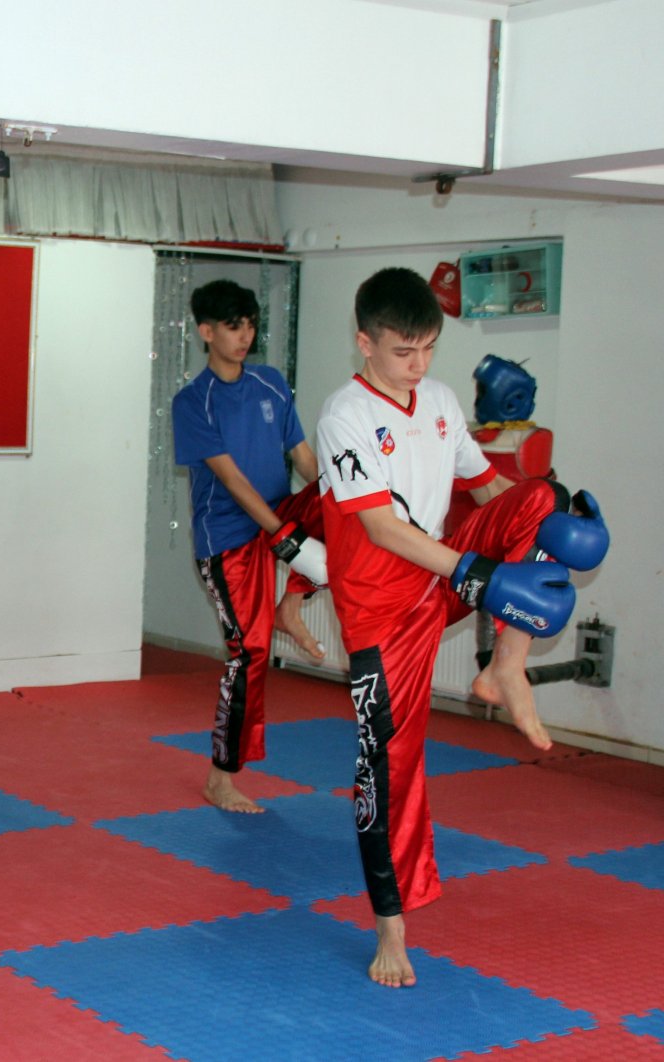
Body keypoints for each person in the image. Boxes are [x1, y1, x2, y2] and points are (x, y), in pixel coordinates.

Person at [315, 267, 607, 988]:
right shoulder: (343, 416)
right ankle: (392, 931)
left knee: (545, 495)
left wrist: (554, 521)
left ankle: (505, 666)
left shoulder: (441, 400)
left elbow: (489, 491)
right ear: (365, 343)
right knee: (389, 768)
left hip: (436, 580)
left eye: (428, 350)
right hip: (383, 611)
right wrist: (478, 578)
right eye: (402, 352)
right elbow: (382, 529)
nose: (418, 366)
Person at [171, 279, 328, 815]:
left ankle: (290, 605)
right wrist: (283, 539)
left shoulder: (271, 384)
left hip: (277, 522)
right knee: (249, 653)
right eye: (233, 327)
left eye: (250, 325)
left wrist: (342, 502)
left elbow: (304, 459)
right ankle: (221, 777)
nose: (244, 336)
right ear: (206, 332)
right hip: (230, 539)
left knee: (341, 505)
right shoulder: (193, 402)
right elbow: (234, 482)